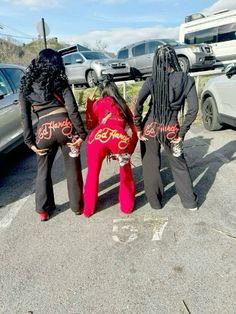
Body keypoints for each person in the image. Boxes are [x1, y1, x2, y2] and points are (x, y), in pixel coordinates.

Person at [19, 48, 87, 221]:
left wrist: (30, 142)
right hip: (65, 127)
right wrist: (81, 134)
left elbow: (25, 116)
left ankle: (43, 210)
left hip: (44, 131)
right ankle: (77, 206)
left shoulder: (26, 87)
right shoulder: (59, 81)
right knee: (72, 169)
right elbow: (72, 109)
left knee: (43, 171)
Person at [133, 45, 199, 210]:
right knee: (179, 165)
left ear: (156, 61)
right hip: (171, 128)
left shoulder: (151, 80)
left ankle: (155, 203)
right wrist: (182, 132)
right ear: (174, 59)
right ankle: (190, 203)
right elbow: (193, 109)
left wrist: (138, 126)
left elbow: (138, 103)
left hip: (150, 127)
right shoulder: (186, 79)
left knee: (150, 164)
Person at [83, 79, 138, 217]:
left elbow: (90, 125)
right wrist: (130, 147)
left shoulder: (97, 104)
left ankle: (88, 209)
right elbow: (135, 128)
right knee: (125, 173)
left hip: (97, 138)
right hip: (119, 138)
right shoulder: (122, 104)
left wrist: (89, 106)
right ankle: (126, 206)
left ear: (103, 92)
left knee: (92, 174)